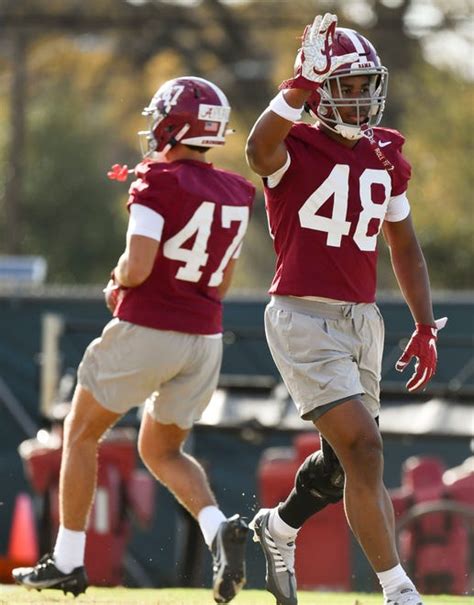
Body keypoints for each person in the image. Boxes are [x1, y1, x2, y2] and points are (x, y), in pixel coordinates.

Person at [13, 76, 255, 604]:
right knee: (161, 449)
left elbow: (140, 266)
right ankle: (219, 529)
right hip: (204, 337)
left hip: (150, 328)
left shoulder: (155, 179)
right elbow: (224, 278)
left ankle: (68, 561)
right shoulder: (239, 191)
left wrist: (117, 280)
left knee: (78, 432)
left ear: (175, 123)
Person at [245, 13, 446, 605]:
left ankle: (277, 527)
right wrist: (298, 84)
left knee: (343, 468)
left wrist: (424, 323)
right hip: (303, 317)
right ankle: (398, 590)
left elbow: (404, 245)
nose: (358, 99)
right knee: (366, 448)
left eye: (365, 86)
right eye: (345, 86)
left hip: (362, 320)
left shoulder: (387, 154)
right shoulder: (294, 146)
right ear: (319, 91)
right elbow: (258, 148)